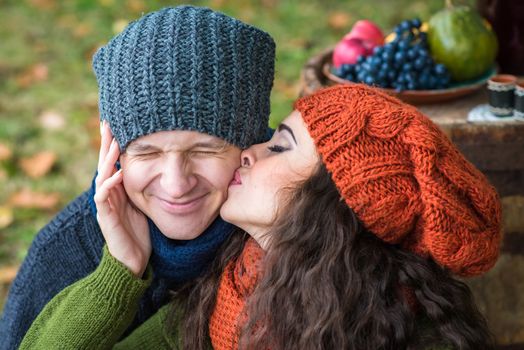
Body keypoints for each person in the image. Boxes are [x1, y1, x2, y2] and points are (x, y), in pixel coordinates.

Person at [20, 84, 501, 349]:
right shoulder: (232, 289)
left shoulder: (412, 333)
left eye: (279, 146)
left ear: (334, 203)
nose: (249, 152)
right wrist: (120, 272)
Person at [0, 6, 275, 350]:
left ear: (249, 147)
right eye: (147, 152)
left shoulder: (286, 231)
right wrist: (118, 272)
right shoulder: (61, 252)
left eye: (205, 150)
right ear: (115, 156)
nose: (176, 184)